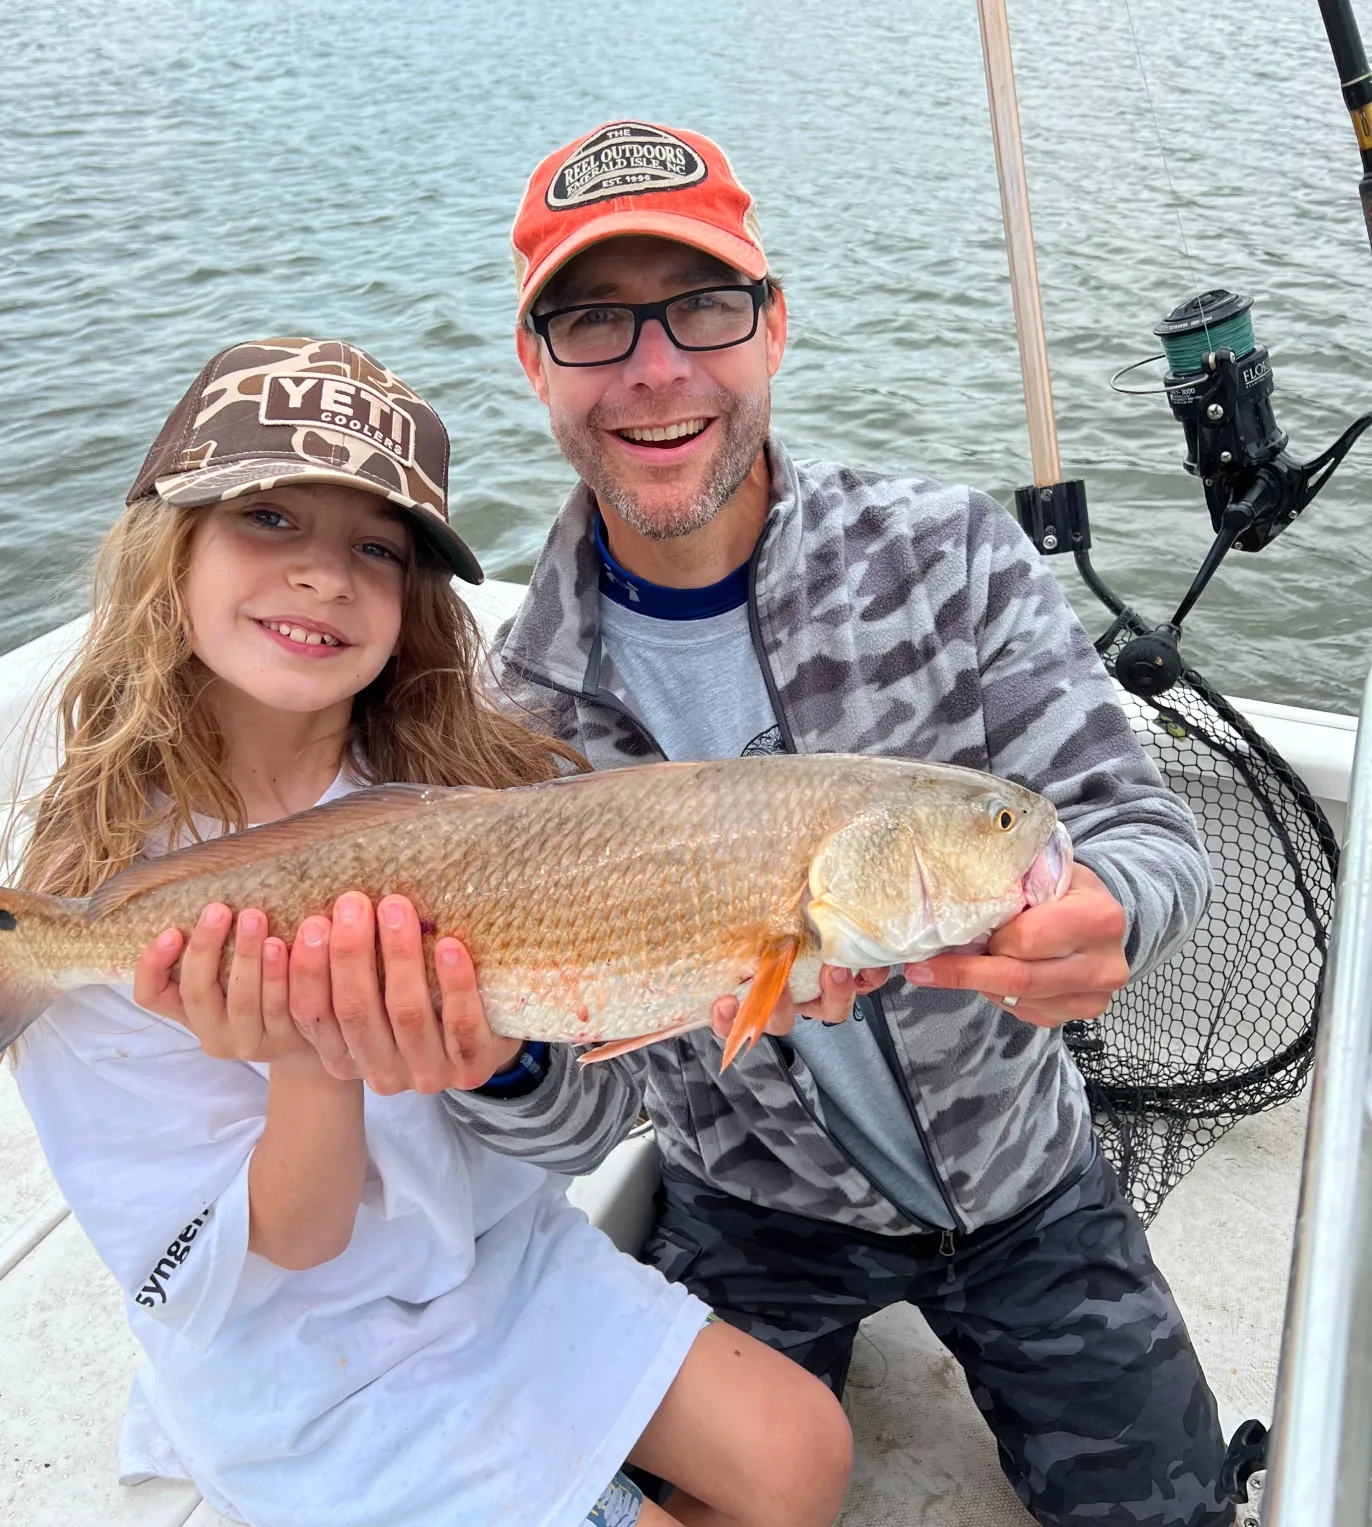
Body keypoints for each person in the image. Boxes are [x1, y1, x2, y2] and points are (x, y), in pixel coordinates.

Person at [317, 124, 1230, 1527]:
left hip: (1029, 1181)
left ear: (774, 324)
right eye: (593, 319)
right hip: (746, 1207)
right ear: (534, 360)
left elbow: (1140, 825)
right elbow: (591, 1110)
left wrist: (1107, 905)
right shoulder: (508, 711)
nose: (657, 366)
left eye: (703, 305)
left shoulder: (951, 551)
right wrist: (493, 1068)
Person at [5, 337, 852, 1527]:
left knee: (808, 1455)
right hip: (304, 1357)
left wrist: (506, 1064)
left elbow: (581, 1122)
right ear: (168, 547)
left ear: (415, 602)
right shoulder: (106, 897)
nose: (322, 575)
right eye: (267, 517)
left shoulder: (476, 788)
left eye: (376, 548)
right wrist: (311, 1054)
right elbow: (283, 1249)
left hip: (498, 1264)